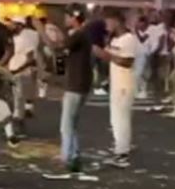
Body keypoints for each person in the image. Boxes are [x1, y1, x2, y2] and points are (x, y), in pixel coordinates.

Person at [45, 9, 93, 173]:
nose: (64, 19)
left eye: (67, 16)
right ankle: (74, 155)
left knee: (66, 125)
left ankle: (68, 158)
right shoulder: (81, 35)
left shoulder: (78, 34)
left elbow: (55, 46)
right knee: (71, 123)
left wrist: (39, 28)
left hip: (76, 85)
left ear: (74, 18)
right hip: (81, 84)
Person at [96, 12, 140, 168]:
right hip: (115, 82)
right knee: (115, 119)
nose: (106, 25)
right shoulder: (114, 39)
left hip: (124, 84)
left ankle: (122, 153)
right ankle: (119, 147)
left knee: (121, 118)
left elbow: (127, 61)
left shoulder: (129, 39)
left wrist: (105, 55)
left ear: (116, 21)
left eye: (108, 21)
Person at [5, 14, 40, 144]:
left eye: (13, 24)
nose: (10, 26)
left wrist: (17, 70)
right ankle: (18, 125)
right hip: (14, 71)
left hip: (21, 73)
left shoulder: (26, 38)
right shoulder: (14, 37)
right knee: (15, 99)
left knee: (18, 100)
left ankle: (19, 127)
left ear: (19, 25)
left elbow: (31, 58)